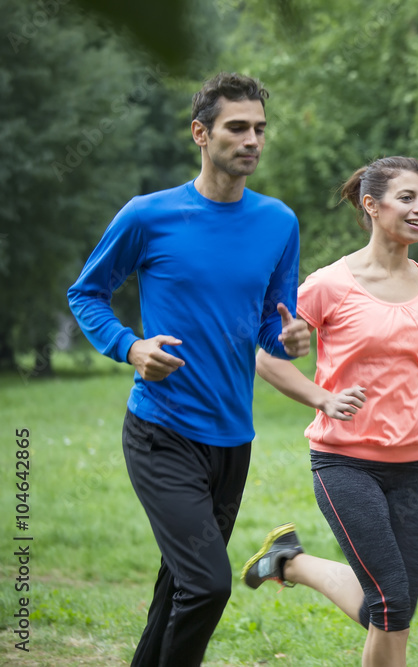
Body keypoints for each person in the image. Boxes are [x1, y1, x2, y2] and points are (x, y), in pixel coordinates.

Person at [66, 72, 310, 666]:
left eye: (259, 128)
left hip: (233, 439)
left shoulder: (278, 222)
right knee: (208, 583)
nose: (252, 139)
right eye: (237, 127)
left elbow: (268, 330)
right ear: (201, 133)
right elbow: (86, 294)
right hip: (161, 432)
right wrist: (130, 347)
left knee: (180, 584)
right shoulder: (149, 216)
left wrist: (289, 337)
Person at [240, 156, 418, 667]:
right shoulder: (328, 284)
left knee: (392, 614)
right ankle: (291, 565)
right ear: (371, 205)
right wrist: (323, 398)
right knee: (391, 604)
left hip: (411, 468)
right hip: (344, 463)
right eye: (407, 197)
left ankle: (287, 562)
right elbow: (266, 356)